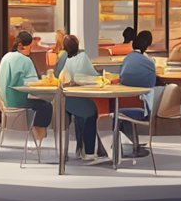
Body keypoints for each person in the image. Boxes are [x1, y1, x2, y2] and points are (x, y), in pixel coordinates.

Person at [0, 30, 52, 148]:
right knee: (46, 106)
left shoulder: (6, 57)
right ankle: (37, 138)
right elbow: (32, 84)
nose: (30, 50)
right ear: (22, 46)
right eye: (29, 47)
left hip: (5, 102)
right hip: (18, 102)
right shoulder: (25, 60)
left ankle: (35, 136)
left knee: (41, 106)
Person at [55, 34, 107, 163]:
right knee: (92, 112)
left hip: (64, 101)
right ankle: (88, 151)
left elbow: (56, 75)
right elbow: (92, 75)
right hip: (79, 98)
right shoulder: (82, 57)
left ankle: (80, 148)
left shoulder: (62, 58)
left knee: (80, 116)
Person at [117, 29, 159, 158]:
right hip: (143, 107)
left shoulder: (127, 59)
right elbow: (151, 85)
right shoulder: (149, 62)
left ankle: (129, 141)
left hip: (122, 104)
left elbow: (122, 79)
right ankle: (133, 143)